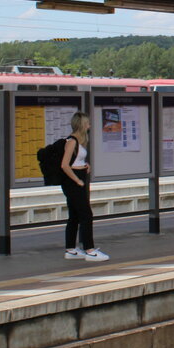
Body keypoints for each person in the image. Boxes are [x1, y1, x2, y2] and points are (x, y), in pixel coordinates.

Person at [61, 112, 109, 261]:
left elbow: (76, 161)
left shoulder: (79, 141)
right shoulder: (72, 141)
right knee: (86, 215)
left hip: (78, 178)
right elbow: (64, 165)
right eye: (87, 123)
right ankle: (90, 250)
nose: (89, 125)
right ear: (81, 125)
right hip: (73, 182)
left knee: (74, 216)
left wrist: (84, 165)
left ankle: (71, 250)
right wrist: (77, 180)